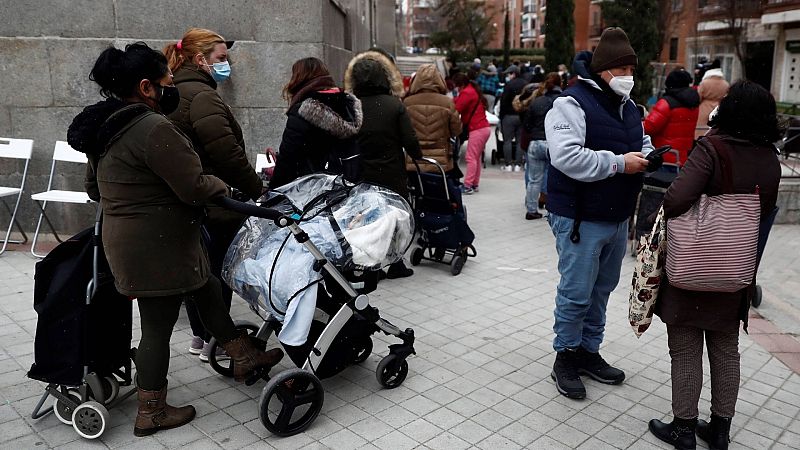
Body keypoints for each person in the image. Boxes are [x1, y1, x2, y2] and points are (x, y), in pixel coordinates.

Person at [68, 42, 283, 437]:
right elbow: (194, 186)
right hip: (158, 243)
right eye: (168, 81)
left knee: (206, 287)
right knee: (157, 326)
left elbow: (94, 189)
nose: (173, 88)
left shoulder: (108, 125)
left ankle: (243, 356)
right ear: (147, 87)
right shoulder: (152, 127)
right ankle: (151, 411)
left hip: (139, 239)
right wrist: (224, 187)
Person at [648, 80, 782, 450]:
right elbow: (764, 213)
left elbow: (676, 199)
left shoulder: (712, 149)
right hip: (737, 270)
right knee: (726, 348)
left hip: (694, 265)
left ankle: (683, 428)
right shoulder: (770, 158)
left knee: (686, 343)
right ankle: (720, 430)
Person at [544, 28, 656, 400]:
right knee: (576, 292)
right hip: (579, 217)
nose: (628, 75)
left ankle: (589, 351)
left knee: (601, 290)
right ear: (604, 70)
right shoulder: (570, 104)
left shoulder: (628, 106)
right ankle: (566, 355)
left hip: (616, 215)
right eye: (621, 68)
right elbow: (566, 157)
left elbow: (639, 141)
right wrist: (620, 164)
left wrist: (648, 154)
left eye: (631, 68)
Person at [161, 28, 261, 362]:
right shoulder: (201, 96)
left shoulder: (174, 91)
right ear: (201, 59)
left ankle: (199, 337)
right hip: (216, 201)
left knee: (198, 272)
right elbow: (227, 156)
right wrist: (258, 189)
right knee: (219, 270)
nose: (225, 64)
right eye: (220, 58)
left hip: (187, 201)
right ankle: (215, 341)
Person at [344, 50, 422, 278]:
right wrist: (417, 154)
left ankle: (370, 265)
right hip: (391, 171)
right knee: (396, 216)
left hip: (362, 172)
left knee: (366, 219)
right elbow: (409, 139)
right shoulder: (394, 105)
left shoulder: (352, 104)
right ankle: (396, 263)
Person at [270, 57, 363, 188]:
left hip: (311, 191)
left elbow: (288, 158)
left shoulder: (303, 111)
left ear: (299, 78)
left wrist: (273, 190)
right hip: (348, 187)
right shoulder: (349, 105)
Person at [403, 64, 462, 176]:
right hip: (440, 160)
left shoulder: (407, 102)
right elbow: (456, 130)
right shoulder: (447, 102)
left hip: (414, 159)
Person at [523, 72, 562, 220]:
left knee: (534, 179)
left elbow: (527, 125)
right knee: (555, 178)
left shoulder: (537, 101)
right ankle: (552, 208)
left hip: (536, 142)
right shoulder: (563, 101)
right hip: (554, 143)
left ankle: (531, 210)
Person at [643, 68, 700, 166]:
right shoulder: (693, 103)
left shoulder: (666, 103)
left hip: (664, 156)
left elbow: (649, 128)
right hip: (683, 157)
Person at [452, 72, 491, 194]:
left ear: (461, 84)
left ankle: (467, 185)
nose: (456, 88)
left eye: (457, 86)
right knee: (476, 158)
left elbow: (456, 107)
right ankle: (474, 184)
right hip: (484, 128)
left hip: (477, 129)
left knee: (470, 158)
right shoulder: (472, 90)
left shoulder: (467, 92)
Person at [498, 65, 528, 171]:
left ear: (513, 74)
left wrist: (501, 117)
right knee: (520, 141)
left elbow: (503, 102)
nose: (508, 76)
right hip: (521, 116)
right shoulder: (525, 84)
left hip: (508, 116)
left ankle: (508, 164)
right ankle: (518, 165)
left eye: (509, 74)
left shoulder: (509, 85)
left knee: (507, 141)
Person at [696, 63, 729, 136]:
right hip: (719, 107)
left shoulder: (704, 83)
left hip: (704, 108)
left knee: (702, 130)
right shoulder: (725, 84)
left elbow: (698, 97)